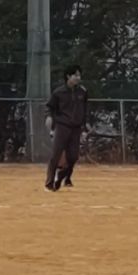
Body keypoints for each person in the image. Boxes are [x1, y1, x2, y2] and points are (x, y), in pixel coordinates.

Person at [45, 64, 88, 192]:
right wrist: (49, 117)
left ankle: (61, 176)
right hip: (62, 126)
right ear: (68, 76)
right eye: (75, 75)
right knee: (56, 155)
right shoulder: (58, 92)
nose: (78, 78)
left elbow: (85, 110)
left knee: (73, 157)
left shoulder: (83, 92)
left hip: (76, 128)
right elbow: (50, 107)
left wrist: (84, 127)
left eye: (79, 75)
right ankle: (49, 183)